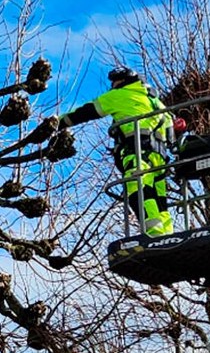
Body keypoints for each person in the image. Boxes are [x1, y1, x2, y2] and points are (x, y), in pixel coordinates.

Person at [60, 67, 178, 238]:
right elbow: (171, 132)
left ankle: (154, 235)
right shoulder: (156, 103)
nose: (112, 85)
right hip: (159, 157)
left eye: (114, 82)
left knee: (138, 188)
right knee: (159, 199)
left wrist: (55, 124)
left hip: (137, 152)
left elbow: (85, 112)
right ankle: (167, 235)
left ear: (123, 81)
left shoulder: (120, 95)